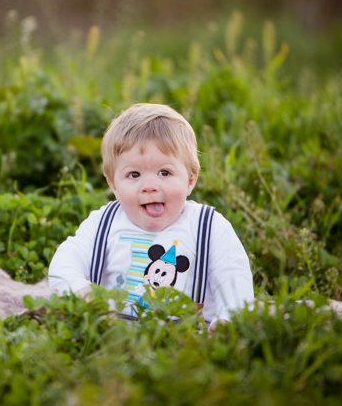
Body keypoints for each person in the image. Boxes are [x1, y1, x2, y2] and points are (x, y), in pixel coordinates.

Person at [48, 104, 254, 332]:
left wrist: (229, 318)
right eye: (133, 174)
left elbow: (234, 276)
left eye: (164, 173)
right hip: (110, 335)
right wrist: (80, 291)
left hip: (187, 339)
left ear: (190, 180)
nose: (149, 187)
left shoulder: (208, 226)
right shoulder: (103, 222)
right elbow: (65, 262)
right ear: (113, 184)